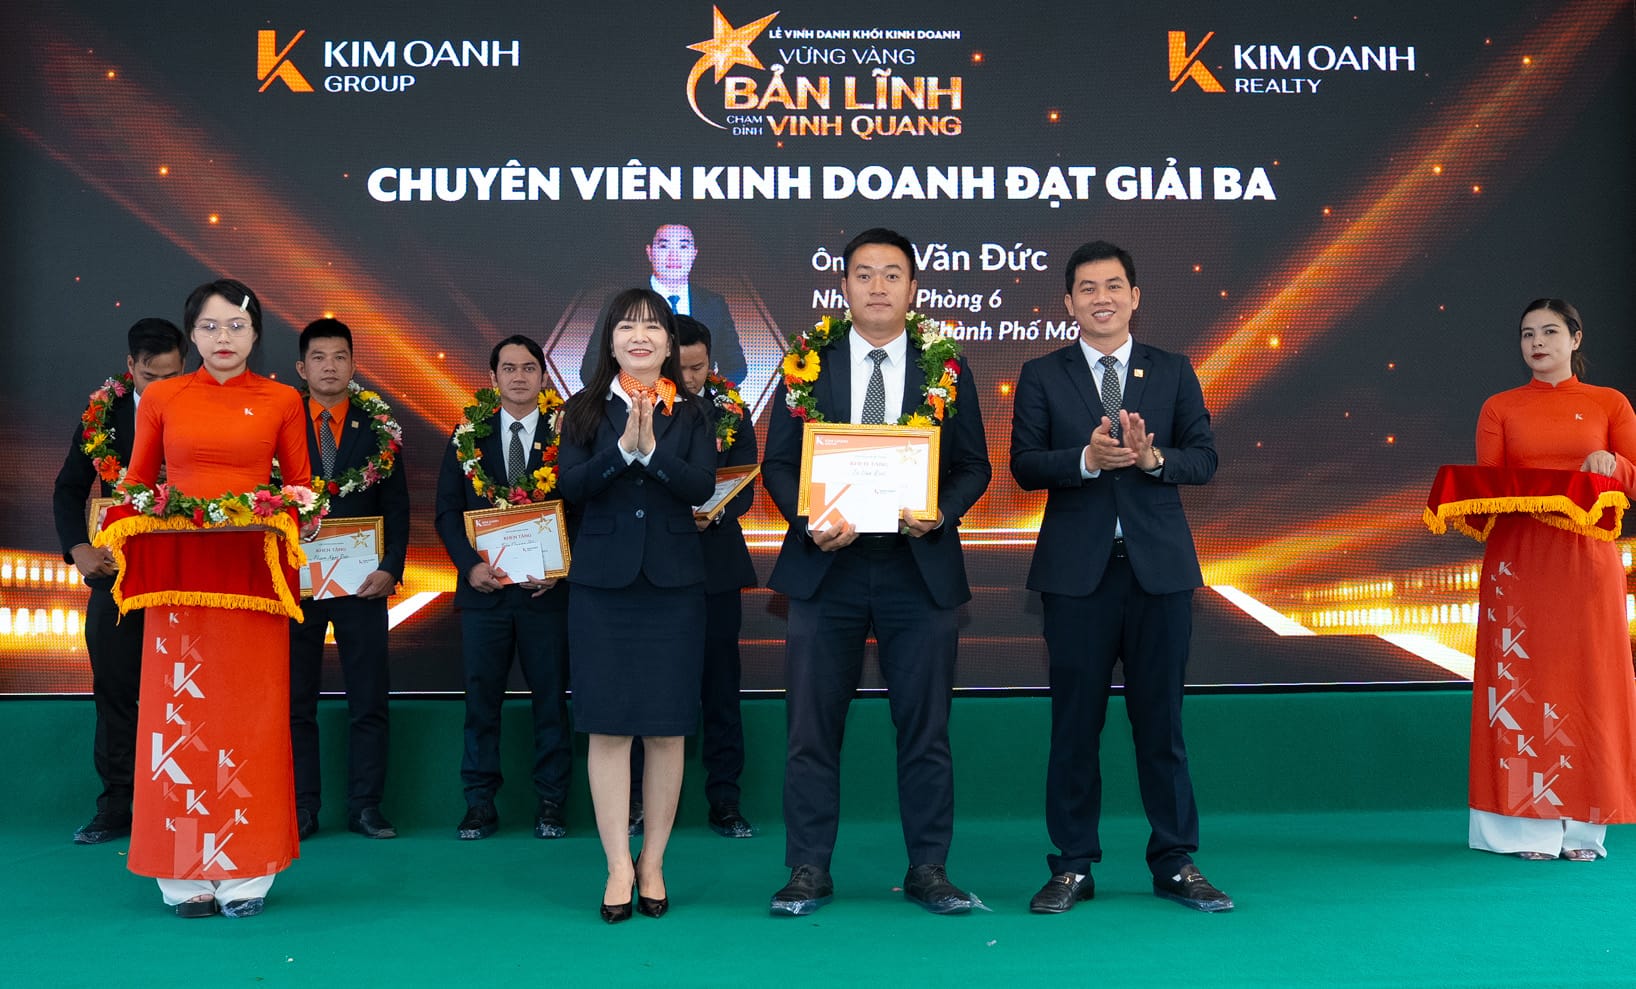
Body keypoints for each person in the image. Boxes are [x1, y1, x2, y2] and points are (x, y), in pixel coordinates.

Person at [761, 228, 991, 916]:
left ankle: (929, 868)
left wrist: (941, 512)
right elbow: (778, 464)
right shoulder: (807, 361)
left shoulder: (946, 364)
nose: (879, 286)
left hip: (916, 569)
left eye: (893, 274)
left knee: (926, 728)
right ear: (844, 287)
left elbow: (974, 465)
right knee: (810, 729)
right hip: (827, 566)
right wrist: (808, 518)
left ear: (914, 288)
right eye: (864, 274)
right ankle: (807, 868)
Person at [1010, 240, 1231, 913]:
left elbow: (1204, 458)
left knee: (1161, 725)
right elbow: (1024, 463)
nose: (1100, 298)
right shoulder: (1042, 374)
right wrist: (1085, 459)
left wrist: (1153, 460)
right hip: (1076, 578)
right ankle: (1072, 864)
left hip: (1158, 573)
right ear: (1068, 302)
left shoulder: (1173, 370)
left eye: (1113, 286)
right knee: (1075, 727)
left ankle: (1175, 860)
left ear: (1134, 297)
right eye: (1087, 288)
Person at [114, 278, 313, 917]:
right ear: (191, 333)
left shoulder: (283, 400)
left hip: (253, 583)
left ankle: (248, 873)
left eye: (236, 326)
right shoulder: (162, 397)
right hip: (179, 585)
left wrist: (290, 514)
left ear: (256, 334)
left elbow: (303, 491)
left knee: (252, 720)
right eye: (209, 326)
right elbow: (136, 485)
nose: (223, 338)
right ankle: (182, 876)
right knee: (178, 722)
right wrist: (139, 517)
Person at [558, 289, 716, 922]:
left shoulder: (694, 412)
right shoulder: (582, 408)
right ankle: (617, 866)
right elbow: (571, 485)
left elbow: (701, 486)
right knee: (609, 726)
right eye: (628, 327)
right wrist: (623, 449)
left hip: (673, 588)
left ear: (670, 343)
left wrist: (652, 453)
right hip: (603, 587)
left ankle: (653, 861)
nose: (640, 337)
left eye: (653, 327)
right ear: (611, 340)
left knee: (667, 727)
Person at [1467, 298, 1636, 860]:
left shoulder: (1609, 403)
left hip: (1587, 561)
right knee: (1519, 683)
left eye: (1549, 332)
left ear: (1575, 339)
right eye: (1527, 334)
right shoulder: (1499, 407)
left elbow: (1633, 475)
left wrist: (1612, 465)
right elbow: (1487, 486)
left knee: (1590, 683)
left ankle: (1584, 828)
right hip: (1518, 562)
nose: (1537, 342)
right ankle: (1524, 831)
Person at [434, 334, 574, 841]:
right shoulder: (467, 434)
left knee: (551, 701)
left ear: (543, 376)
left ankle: (552, 803)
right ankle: (479, 804)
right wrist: (469, 566)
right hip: (485, 593)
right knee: (481, 702)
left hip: (545, 594)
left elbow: (583, 507)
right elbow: (447, 511)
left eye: (529, 367)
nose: (519, 377)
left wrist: (561, 568)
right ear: (492, 378)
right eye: (508, 368)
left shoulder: (567, 434)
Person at [52, 318, 185, 844]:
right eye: (152, 377)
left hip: (188, 575)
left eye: (173, 375)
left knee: (186, 691)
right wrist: (78, 549)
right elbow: (69, 490)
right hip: (118, 575)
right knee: (114, 690)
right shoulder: (103, 415)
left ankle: (182, 803)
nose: (163, 387)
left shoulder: (205, 407)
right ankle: (115, 806)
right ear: (131, 368)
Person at [629, 315, 758, 839]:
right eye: (680, 369)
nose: (689, 378)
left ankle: (725, 800)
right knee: (650, 686)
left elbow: (746, 483)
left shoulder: (731, 409)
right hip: (654, 567)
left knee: (721, 687)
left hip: (714, 567)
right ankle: (640, 802)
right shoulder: (638, 407)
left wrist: (717, 511)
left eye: (699, 367)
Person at [288, 318, 409, 841]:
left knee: (368, 696)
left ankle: (366, 806)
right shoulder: (281, 422)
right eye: (319, 357)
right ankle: (301, 806)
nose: (330, 367)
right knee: (295, 700)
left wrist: (390, 568)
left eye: (340, 357)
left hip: (362, 583)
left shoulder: (377, 425)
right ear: (302, 367)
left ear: (354, 365)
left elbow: (397, 506)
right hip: (296, 581)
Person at [580, 224, 746, 386]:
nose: (673, 256)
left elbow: (735, 365)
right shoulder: (622, 302)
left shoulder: (713, 304)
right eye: (664, 246)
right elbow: (592, 367)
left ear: (694, 253)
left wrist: (707, 393)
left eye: (683, 247)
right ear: (650, 252)